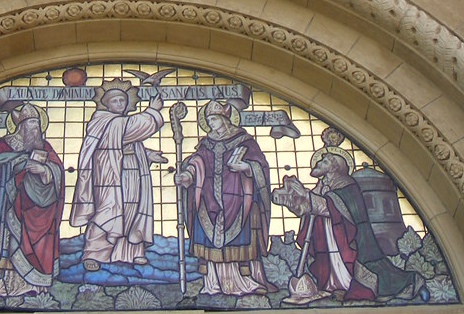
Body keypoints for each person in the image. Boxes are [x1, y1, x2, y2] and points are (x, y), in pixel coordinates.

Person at [272, 128, 423, 303]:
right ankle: (332, 287)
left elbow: (329, 207)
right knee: (331, 268)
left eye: (325, 160)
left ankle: (352, 286)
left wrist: (306, 196)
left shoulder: (348, 186)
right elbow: (309, 208)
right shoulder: (322, 186)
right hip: (328, 242)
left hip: (347, 241)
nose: (319, 162)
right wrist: (291, 199)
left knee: (358, 273)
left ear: (334, 167)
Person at [175, 99, 275, 296]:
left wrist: (246, 167)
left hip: (239, 198)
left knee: (240, 237)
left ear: (224, 118)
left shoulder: (244, 140)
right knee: (209, 238)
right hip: (209, 198)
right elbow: (197, 162)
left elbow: (259, 165)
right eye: (208, 120)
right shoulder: (207, 143)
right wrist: (188, 175)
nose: (211, 123)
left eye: (214, 119)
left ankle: (242, 281)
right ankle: (213, 283)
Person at [0, 103, 64, 298]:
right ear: (21, 125)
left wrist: (44, 171)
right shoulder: (5, 145)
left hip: (37, 208)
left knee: (29, 246)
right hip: (8, 205)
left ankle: (29, 286)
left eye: (37, 124)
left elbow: (58, 172)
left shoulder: (45, 147)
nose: (35, 129)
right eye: (31, 124)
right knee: (4, 244)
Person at [70, 78, 165, 271]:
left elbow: (125, 143)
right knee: (108, 211)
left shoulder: (118, 124)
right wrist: (153, 112)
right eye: (115, 101)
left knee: (133, 208)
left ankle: (131, 251)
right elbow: (132, 128)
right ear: (105, 103)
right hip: (108, 176)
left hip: (132, 172)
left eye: (122, 101)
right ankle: (94, 253)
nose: (120, 104)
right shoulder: (103, 121)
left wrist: (147, 155)